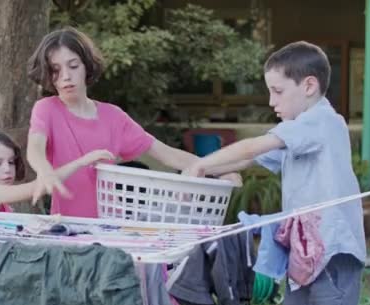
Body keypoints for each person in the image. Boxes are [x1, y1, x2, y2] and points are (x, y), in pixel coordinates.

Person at [184, 41, 365, 305]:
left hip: (332, 255)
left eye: (278, 91)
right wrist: (210, 172)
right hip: (304, 254)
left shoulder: (321, 122)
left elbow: (255, 145)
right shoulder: (300, 131)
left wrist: (202, 165)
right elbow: (247, 158)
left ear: (309, 86)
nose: (271, 101)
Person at [26, 26, 239, 218]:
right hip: (68, 228)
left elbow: (167, 154)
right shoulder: (47, 108)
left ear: (87, 66)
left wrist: (218, 168)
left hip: (113, 226)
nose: (65, 76)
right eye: (55, 70)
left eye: (73, 66)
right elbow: (35, 148)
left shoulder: (113, 116)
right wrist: (44, 171)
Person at [0, 126, 113, 211]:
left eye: (11, 162)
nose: (7, 169)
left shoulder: (2, 200)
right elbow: (37, 187)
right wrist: (81, 162)